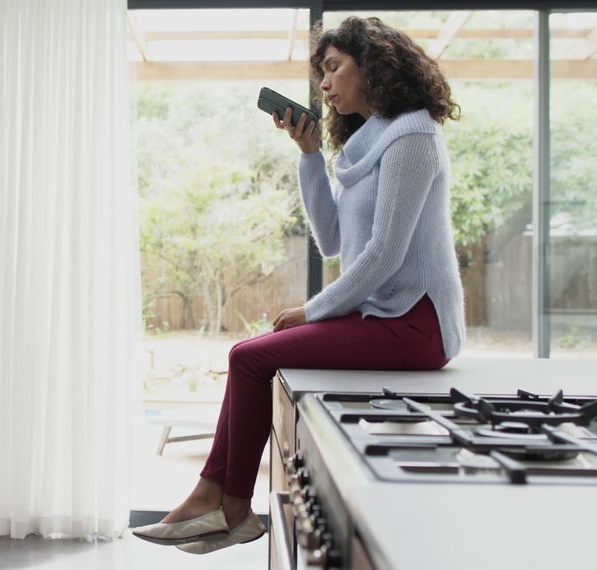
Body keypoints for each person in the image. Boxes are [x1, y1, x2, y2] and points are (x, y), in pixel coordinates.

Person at [132, 15, 466, 554]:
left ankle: (225, 503)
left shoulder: (414, 134)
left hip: (417, 322)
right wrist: (310, 155)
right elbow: (333, 241)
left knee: (248, 357)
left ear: (374, 64)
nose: (325, 84)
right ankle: (222, 500)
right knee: (248, 354)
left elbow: (385, 254)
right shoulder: (364, 144)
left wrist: (316, 310)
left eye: (334, 68)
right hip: (383, 313)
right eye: (321, 73)